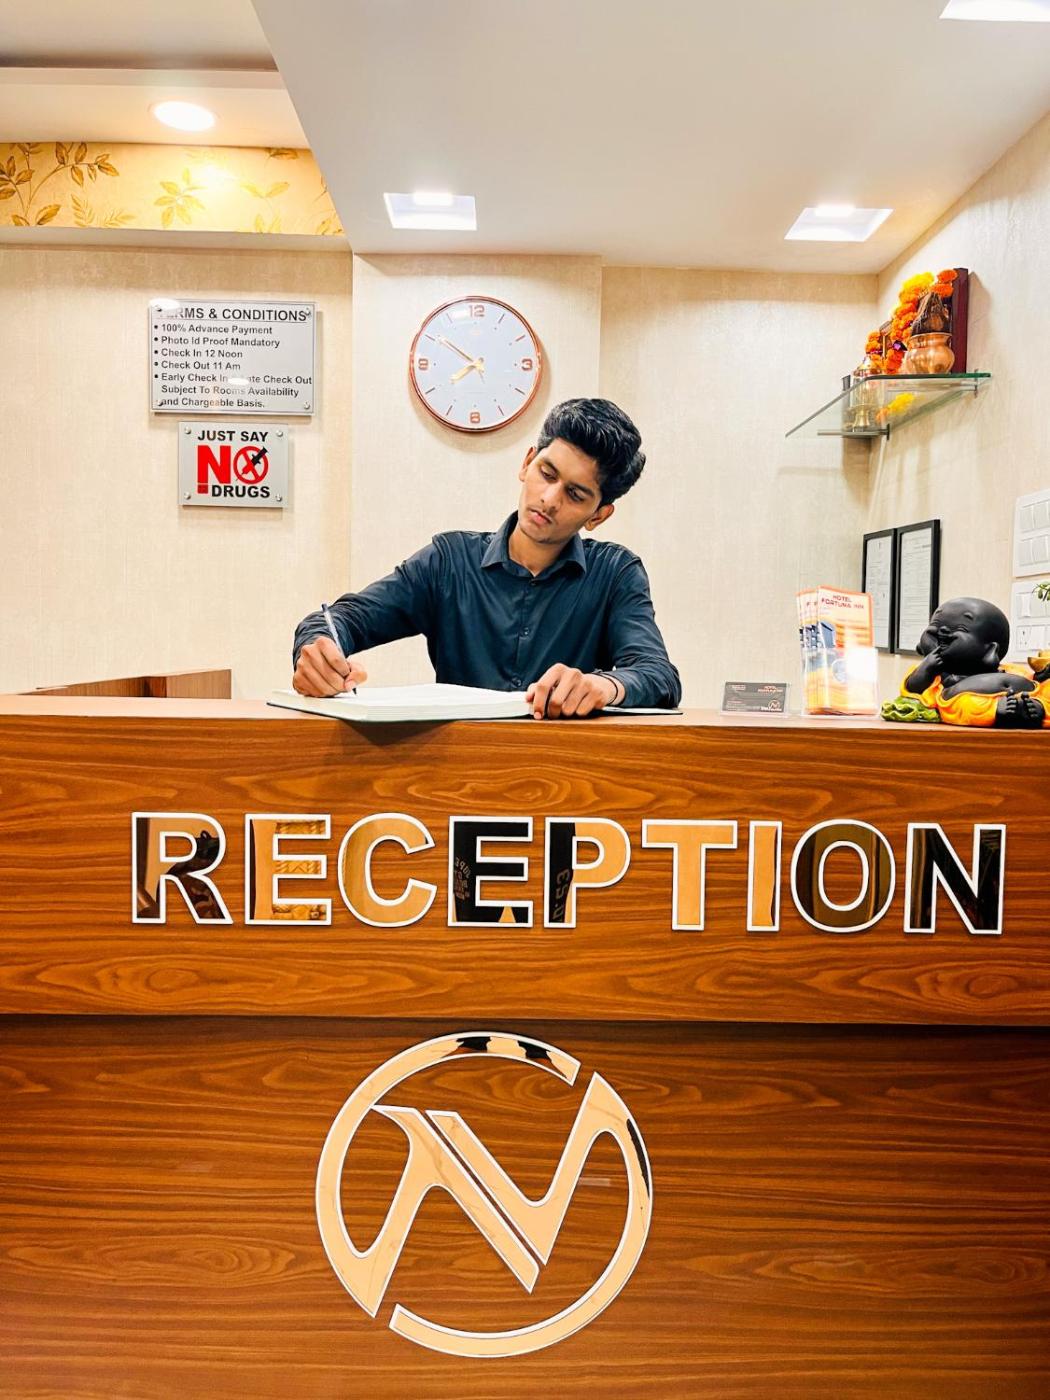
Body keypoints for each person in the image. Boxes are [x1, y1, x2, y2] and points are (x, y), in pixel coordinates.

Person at [292, 397, 681, 719]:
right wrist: (319, 647)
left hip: (565, 776)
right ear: (527, 463)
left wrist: (603, 685)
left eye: (575, 494)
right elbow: (344, 618)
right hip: (455, 772)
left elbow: (658, 675)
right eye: (547, 473)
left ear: (598, 515)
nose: (549, 499)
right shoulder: (450, 562)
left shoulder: (615, 573)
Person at [901, 595, 1050, 728]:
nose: (943, 630)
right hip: (968, 700)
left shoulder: (1008, 669)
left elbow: (1030, 679)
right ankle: (995, 711)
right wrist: (926, 669)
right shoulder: (937, 675)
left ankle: (1038, 708)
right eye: (935, 625)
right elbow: (913, 689)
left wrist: (1039, 677)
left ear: (990, 649)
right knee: (964, 704)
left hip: (1023, 696)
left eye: (960, 628)